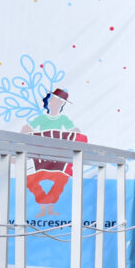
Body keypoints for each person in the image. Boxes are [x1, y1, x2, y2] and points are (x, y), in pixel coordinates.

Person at [21, 88, 85, 218]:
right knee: (29, 180)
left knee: (62, 179)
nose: (54, 105)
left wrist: (74, 132)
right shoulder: (41, 119)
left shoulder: (64, 119)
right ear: (48, 103)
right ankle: (43, 206)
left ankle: (49, 208)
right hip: (40, 160)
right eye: (52, 102)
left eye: (58, 103)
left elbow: (75, 131)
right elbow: (25, 129)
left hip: (59, 162)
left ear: (61, 105)